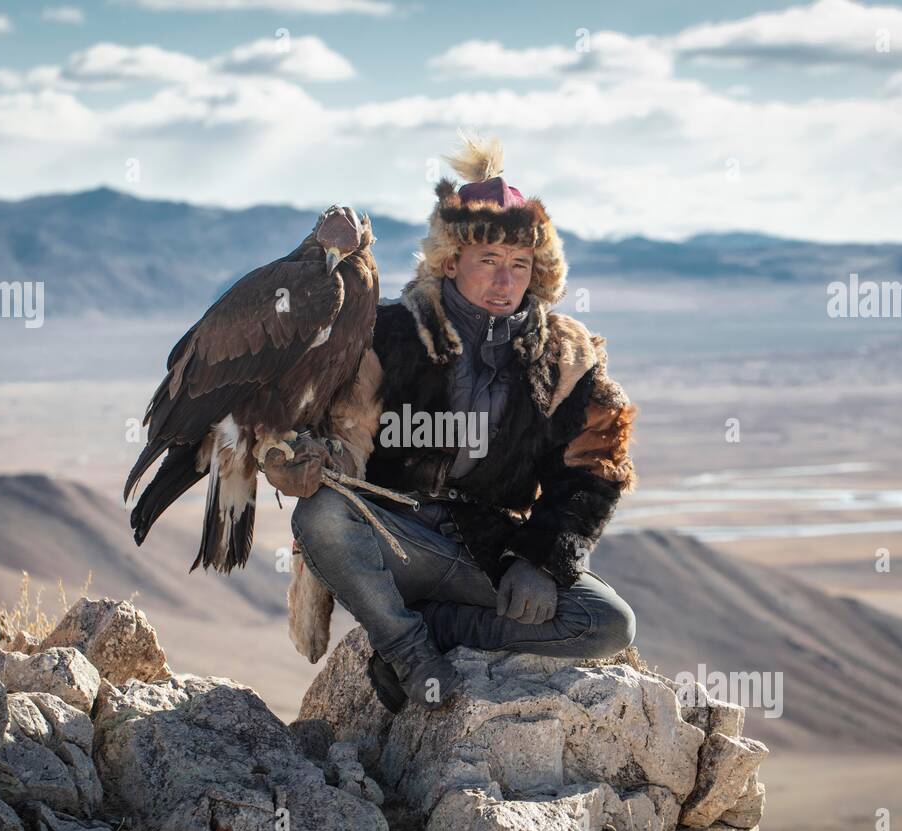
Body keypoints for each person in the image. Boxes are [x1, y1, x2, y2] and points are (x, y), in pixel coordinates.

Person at [263, 135, 639, 714]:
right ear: (451, 261)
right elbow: (347, 442)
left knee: (608, 623)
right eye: (488, 261)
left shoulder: (565, 354)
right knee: (322, 516)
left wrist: (541, 561)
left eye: (519, 265)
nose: (504, 281)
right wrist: (308, 465)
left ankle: (437, 630)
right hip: (395, 541)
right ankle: (408, 651)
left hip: (489, 549)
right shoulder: (387, 333)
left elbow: (592, 471)